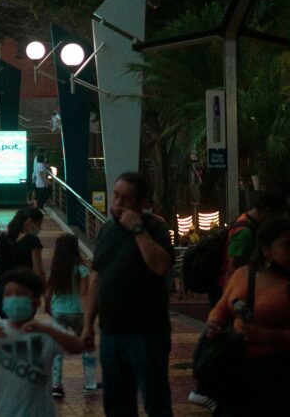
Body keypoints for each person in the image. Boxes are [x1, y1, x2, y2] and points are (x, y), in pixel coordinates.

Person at [82, 172, 174, 417]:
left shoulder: (155, 227)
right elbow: (96, 277)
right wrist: (88, 324)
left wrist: (138, 230)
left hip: (146, 333)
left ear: (143, 202)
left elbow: (161, 266)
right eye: (116, 196)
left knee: (155, 399)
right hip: (112, 332)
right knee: (116, 402)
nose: (118, 204)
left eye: (127, 199)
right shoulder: (107, 231)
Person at [206, 216, 290, 415]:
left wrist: (271, 336)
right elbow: (221, 308)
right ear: (266, 249)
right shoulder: (244, 275)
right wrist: (214, 324)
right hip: (237, 367)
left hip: (278, 372)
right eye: (287, 245)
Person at [0, 267, 84, 417]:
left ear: (36, 301)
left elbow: (77, 347)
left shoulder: (46, 330)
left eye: (19, 295)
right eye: (8, 295)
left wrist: (49, 330)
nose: (12, 299)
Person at [46, 233, 99, 398]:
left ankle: (56, 385)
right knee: (87, 346)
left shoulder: (55, 269)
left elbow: (49, 292)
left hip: (59, 311)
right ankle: (89, 384)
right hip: (78, 312)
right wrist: (88, 315)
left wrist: (48, 306)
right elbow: (84, 293)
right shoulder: (81, 269)